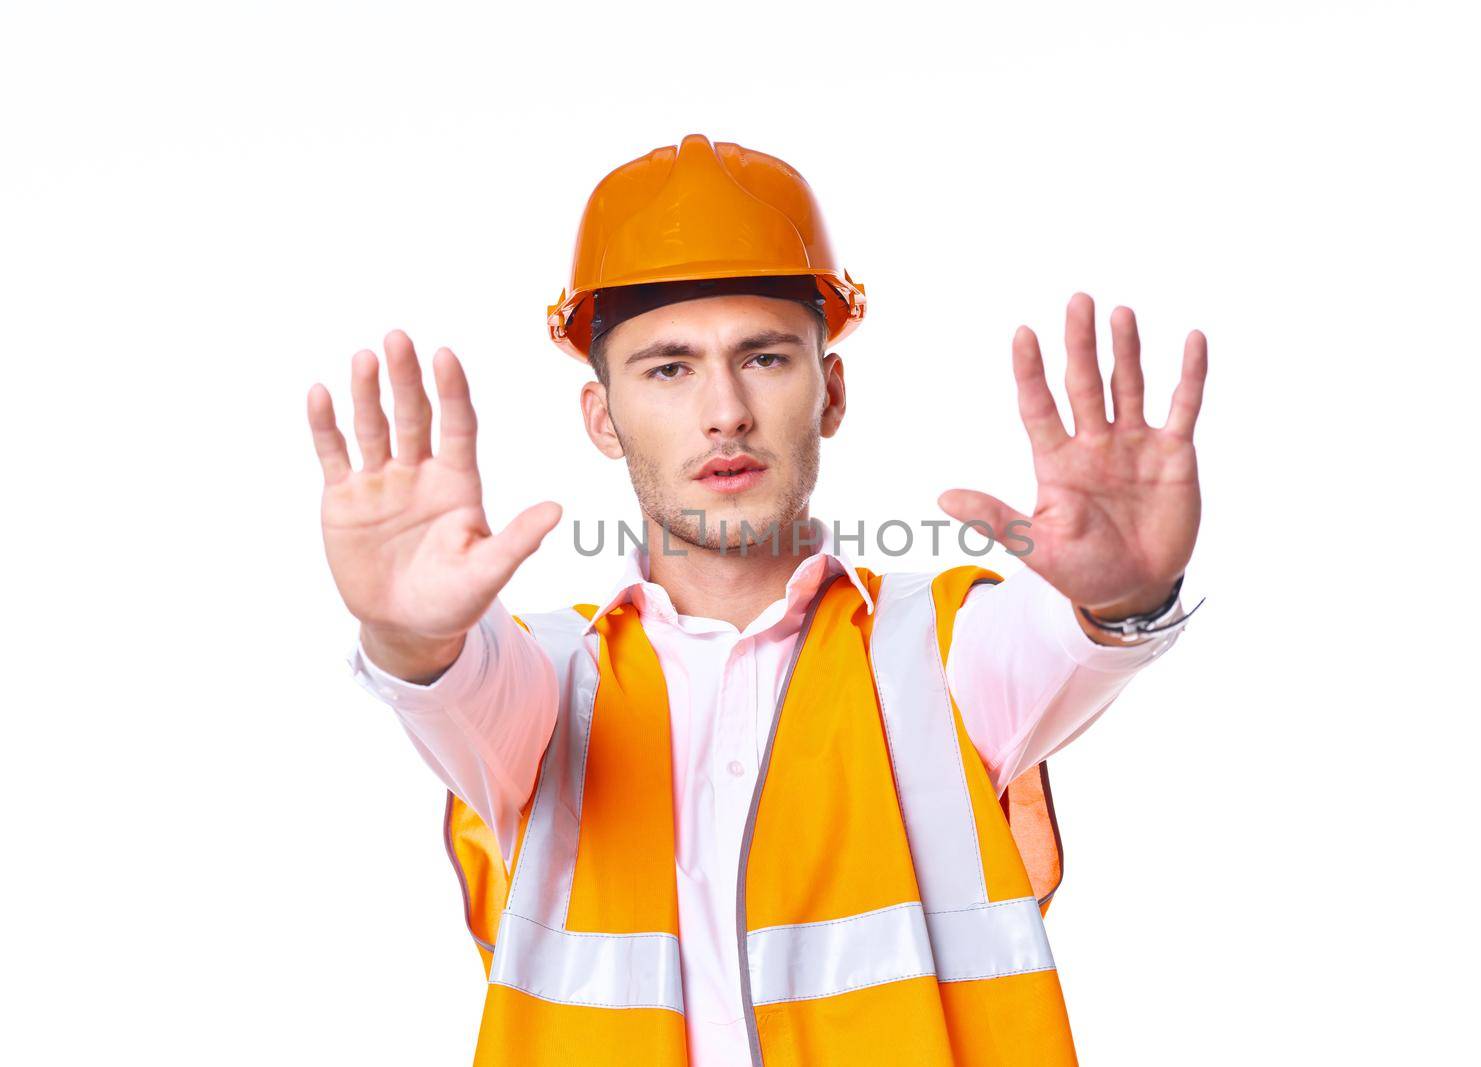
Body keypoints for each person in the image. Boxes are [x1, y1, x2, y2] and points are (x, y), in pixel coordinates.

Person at [306, 134, 1207, 1066]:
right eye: (669, 368)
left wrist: (1131, 593)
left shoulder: (939, 651)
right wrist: (404, 632)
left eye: (766, 358)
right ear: (602, 418)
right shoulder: (546, 681)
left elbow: (1064, 638)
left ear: (831, 392)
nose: (725, 409)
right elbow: (456, 680)